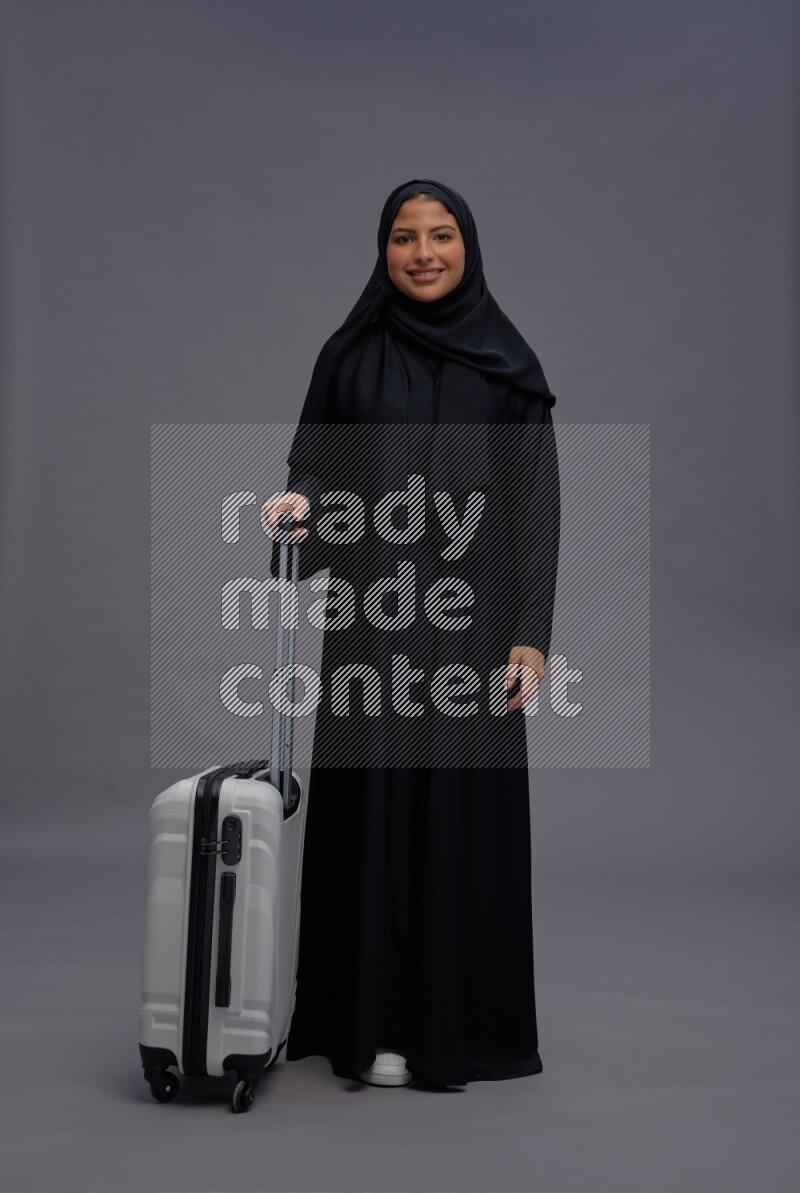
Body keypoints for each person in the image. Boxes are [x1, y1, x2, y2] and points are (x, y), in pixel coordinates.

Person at [263, 178, 560, 1088]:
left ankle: (451, 1029)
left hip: (475, 627)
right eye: (403, 236)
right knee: (373, 805)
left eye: (440, 235)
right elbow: (316, 467)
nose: (423, 253)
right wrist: (297, 506)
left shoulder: (508, 364)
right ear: (383, 249)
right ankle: (370, 1024)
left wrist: (530, 633)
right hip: (375, 620)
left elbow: (534, 503)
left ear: (467, 245)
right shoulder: (349, 356)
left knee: (460, 818)